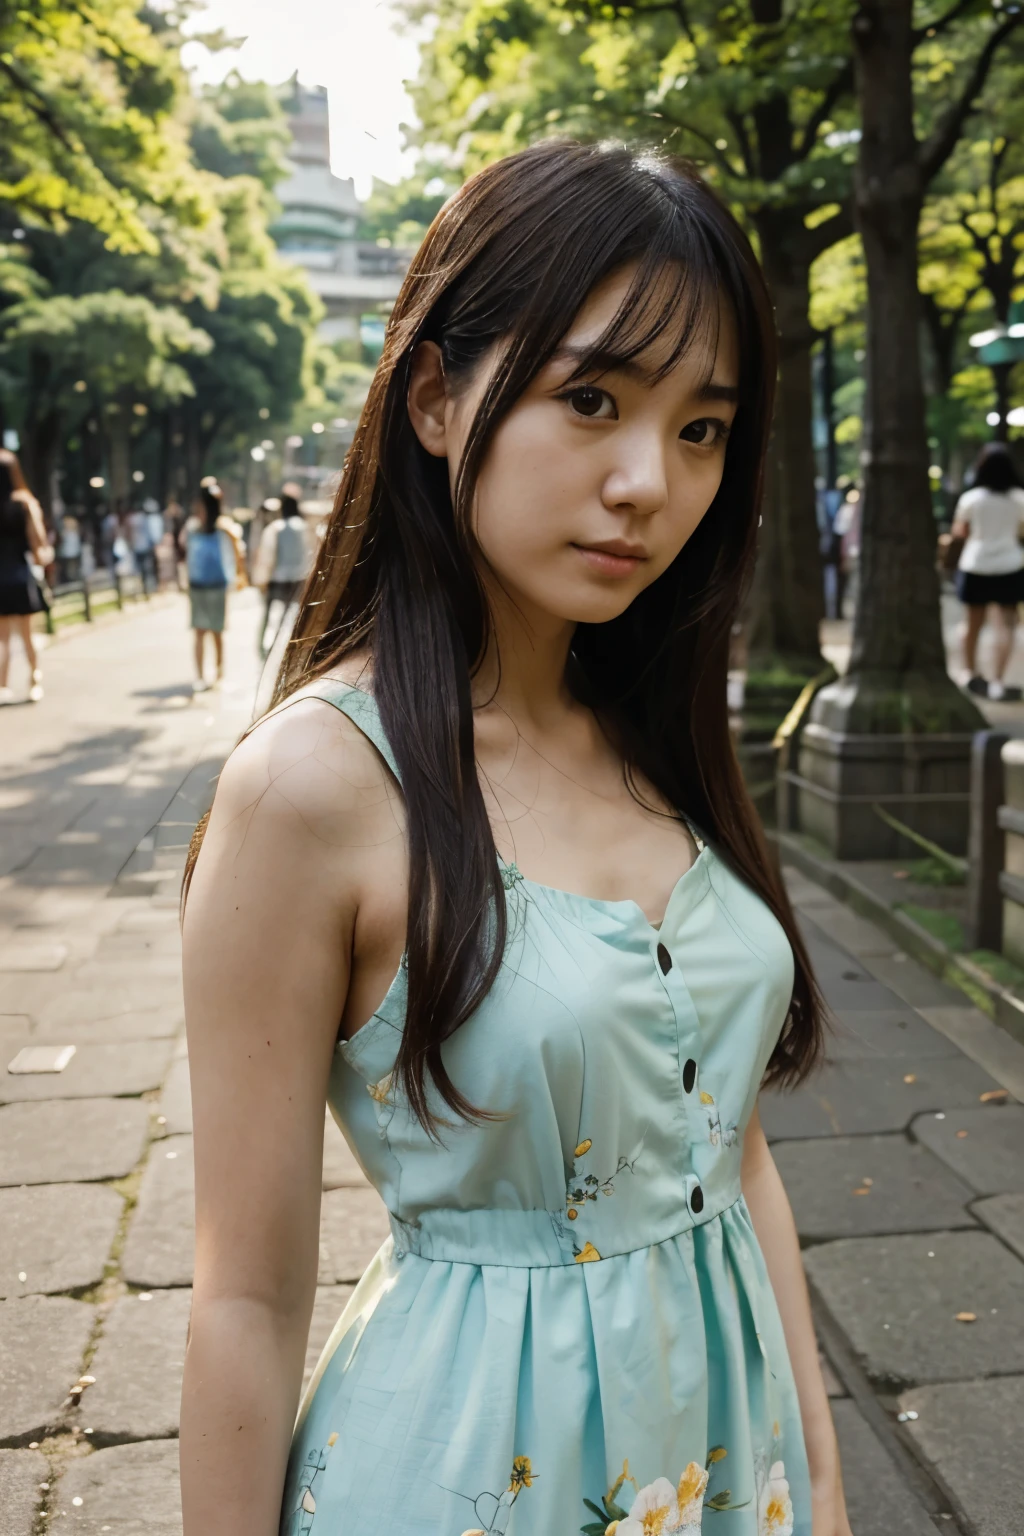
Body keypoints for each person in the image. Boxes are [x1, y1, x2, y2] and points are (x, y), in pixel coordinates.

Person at [178, 142, 852, 1536]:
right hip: (471, 1482)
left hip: (731, 1473)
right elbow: (245, 1292)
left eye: (701, 429)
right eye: (591, 399)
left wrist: (823, 1481)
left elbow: (735, 1157)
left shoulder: (654, 730)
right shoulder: (313, 789)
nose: (647, 483)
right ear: (435, 396)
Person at [952, 441, 1024, 701]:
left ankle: (969, 673)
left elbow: (960, 532)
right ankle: (998, 681)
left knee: (972, 623)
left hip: (976, 563)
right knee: (1006, 625)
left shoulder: (971, 499)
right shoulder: (1019, 499)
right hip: (1009, 563)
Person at [0, 449, 53, 704]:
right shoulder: (23, 504)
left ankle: (2, 685)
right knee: (27, 635)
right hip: (20, 576)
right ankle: (34, 679)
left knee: (2, 640)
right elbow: (38, 543)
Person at [180, 483, 237, 693]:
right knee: (199, 631)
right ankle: (200, 675)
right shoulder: (192, 528)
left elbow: (231, 557)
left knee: (217, 632)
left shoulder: (224, 529)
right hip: (197, 586)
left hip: (217, 586)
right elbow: (185, 551)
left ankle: (219, 672)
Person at [252, 487, 315, 658]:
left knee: (268, 614)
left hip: (277, 578)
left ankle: (264, 647)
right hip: (298, 578)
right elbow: (310, 553)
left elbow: (268, 556)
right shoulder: (304, 527)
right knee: (290, 616)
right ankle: (286, 647)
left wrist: (261, 579)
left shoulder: (276, 528)